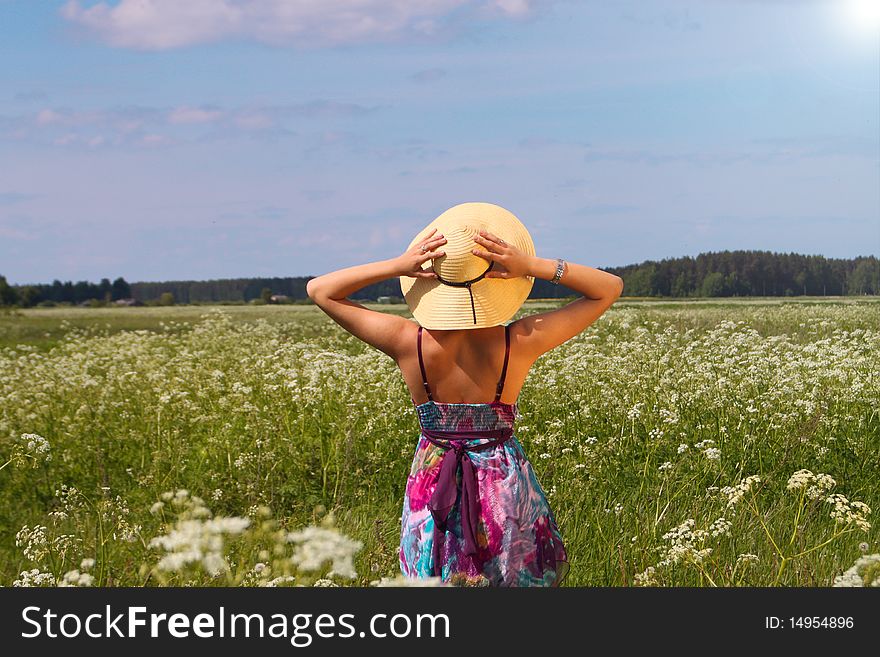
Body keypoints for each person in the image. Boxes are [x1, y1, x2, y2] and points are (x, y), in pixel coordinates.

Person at [307, 202, 623, 586]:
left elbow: (320, 290)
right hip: (502, 482)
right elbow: (608, 288)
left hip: (433, 478)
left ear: (431, 280)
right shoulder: (517, 342)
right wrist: (532, 266)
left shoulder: (408, 342)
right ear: (497, 281)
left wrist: (398, 265)